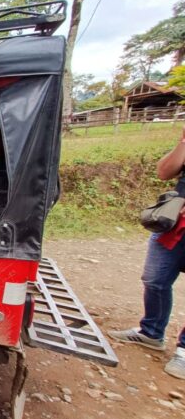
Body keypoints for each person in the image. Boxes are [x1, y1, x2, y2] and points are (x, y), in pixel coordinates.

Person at [108, 126, 185, 380]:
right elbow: (164, 172)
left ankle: (184, 351)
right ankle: (151, 332)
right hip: (176, 223)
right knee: (155, 279)